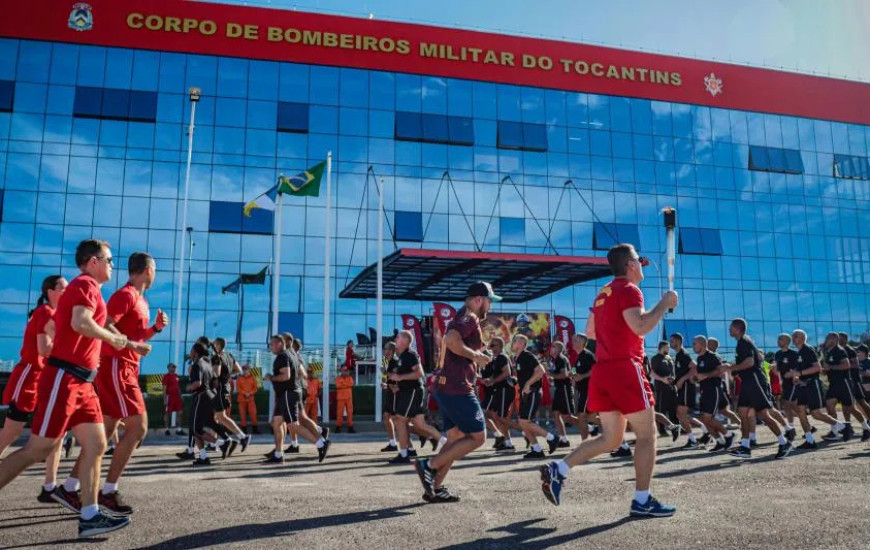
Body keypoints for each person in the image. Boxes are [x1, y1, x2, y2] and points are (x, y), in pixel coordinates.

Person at [0, 240, 130, 537]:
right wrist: (111, 339)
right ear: (93, 261)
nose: (112, 264)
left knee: (97, 444)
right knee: (38, 448)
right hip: (64, 377)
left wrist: (122, 340)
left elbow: (78, 327)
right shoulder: (85, 283)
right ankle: (88, 511)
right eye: (109, 260)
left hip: (83, 383)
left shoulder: (92, 290)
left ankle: (90, 515)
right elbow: (81, 322)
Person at [539, 243, 678, 517]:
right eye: (639, 260)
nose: (642, 264)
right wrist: (664, 303)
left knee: (611, 438)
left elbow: (590, 330)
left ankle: (559, 469)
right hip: (625, 367)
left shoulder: (604, 292)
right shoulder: (629, 289)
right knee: (647, 436)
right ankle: (642, 500)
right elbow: (640, 326)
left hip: (604, 370)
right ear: (630, 265)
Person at [91, 252, 167, 516]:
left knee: (103, 433)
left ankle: (71, 485)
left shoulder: (141, 301)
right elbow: (105, 323)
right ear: (148, 270)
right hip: (116, 366)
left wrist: (154, 329)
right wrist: (131, 344)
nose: (156, 274)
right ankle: (108, 491)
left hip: (126, 367)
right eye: (155, 269)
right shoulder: (126, 294)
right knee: (138, 428)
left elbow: (135, 334)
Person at [413, 281, 499, 503]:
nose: (490, 305)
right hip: (457, 387)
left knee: (455, 438)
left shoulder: (466, 317)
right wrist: (476, 356)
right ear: (479, 300)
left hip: (446, 386)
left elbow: (456, 345)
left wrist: (477, 355)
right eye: (489, 300)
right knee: (479, 437)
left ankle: (435, 487)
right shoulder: (468, 317)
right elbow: (451, 340)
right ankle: (428, 465)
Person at [0, 275, 67, 505]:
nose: (67, 291)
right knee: (11, 433)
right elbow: (43, 348)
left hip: (46, 380)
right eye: (63, 287)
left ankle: (49, 487)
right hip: (29, 377)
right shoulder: (44, 313)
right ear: (50, 290)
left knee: (57, 433)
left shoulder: (56, 315)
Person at [724, 319, 794, 459]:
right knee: (743, 412)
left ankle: (784, 442)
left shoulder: (744, 342)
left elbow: (749, 362)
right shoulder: (742, 343)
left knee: (763, 415)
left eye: (730, 327)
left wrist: (731, 368)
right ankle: (745, 447)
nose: (729, 330)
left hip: (755, 381)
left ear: (737, 329)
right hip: (748, 382)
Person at [388, 330, 443, 464]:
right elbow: (408, 377)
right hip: (410, 391)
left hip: (413, 392)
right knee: (420, 424)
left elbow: (419, 373)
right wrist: (398, 386)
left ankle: (404, 454)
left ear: (405, 341)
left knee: (400, 420)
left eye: (398, 336)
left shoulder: (410, 355)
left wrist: (400, 377)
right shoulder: (401, 356)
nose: (395, 338)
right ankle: (446, 443)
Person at [789, 330, 846, 449]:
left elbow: (816, 368)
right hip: (802, 386)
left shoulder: (808, 350)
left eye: (796, 336)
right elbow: (799, 371)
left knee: (815, 414)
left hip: (812, 385)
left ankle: (842, 426)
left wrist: (799, 373)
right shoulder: (798, 353)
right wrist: (796, 377)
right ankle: (810, 441)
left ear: (803, 338)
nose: (793, 338)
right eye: (793, 336)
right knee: (800, 411)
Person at [512, 334, 559, 460]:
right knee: (523, 423)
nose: (513, 342)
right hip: (525, 393)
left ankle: (552, 438)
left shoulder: (527, 356)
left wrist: (528, 384)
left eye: (515, 340)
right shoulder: (519, 358)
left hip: (532, 392)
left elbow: (541, 371)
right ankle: (537, 449)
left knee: (525, 421)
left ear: (522, 343)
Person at [821, 332, 869, 441]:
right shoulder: (829, 352)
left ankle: (866, 428)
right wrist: (825, 370)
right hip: (833, 384)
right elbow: (829, 367)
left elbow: (847, 365)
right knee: (829, 405)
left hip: (844, 383)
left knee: (850, 408)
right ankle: (835, 430)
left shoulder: (840, 350)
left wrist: (831, 367)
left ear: (834, 339)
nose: (826, 340)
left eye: (828, 338)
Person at [692, 336, 735, 452]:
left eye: (694, 344)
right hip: (704, 390)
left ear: (702, 344)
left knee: (707, 418)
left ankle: (729, 435)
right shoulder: (699, 358)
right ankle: (720, 442)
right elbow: (701, 376)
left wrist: (705, 375)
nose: (692, 346)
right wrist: (696, 378)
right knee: (703, 418)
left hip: (713, 390)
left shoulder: (712, 356)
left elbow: (720, 370)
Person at [210, 338, 250, 453]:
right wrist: (227, 375)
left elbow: (216, 374)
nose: (212, 346)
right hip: (226, 387)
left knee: (221, 417)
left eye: (213, 344)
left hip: (220, 389)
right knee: (216, 417)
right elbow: (238, 369)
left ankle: (242, 437)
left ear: (218, 345)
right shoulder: (229, 355)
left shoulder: (216, 357)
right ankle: (214, 443)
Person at [671, 333, 708, 449]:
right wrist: (675, 380)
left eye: (672, 341)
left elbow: (695, 367)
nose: (670, 343)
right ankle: (704, 431)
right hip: (683, 388)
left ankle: (693, 440)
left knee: (680, 413)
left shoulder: (684, 354)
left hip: (687, 388)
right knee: (681, 414)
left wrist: (682, 379)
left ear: (678, 341)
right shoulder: (678, 355)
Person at [481, 337, 517, 452]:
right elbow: (494, 375)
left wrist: (492, 381)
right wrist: (489, 380)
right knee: (498, 417)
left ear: (501, 346)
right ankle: (507, 441)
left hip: (504, 389)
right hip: (499, 390)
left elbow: (507, 373)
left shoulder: (501, 357)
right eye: (490, 346)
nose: (491, 348)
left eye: (494, 346)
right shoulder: (496, 359)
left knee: (499, 417)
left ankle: (526, 431)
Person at [549, 341, 582, 448]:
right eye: (552, 346)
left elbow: (564, 375)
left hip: (564, 389)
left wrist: (551, 374)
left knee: (567, 416)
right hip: (559, 389)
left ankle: (590, 428)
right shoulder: (556, 360)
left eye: (554, 347)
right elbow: (569, 372)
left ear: (559, 349)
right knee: (555, 414)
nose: (552, 348)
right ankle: (563, 439)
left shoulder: (561, 359)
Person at [839, 332, 870, 430]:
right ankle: (849, 426)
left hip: (862, 384)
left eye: (859, 351)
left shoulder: (867, 361)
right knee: (853, 404)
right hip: (855, 383)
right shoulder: (842, 351)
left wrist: (843, 367)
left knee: (861, 403)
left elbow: (867, 373)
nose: (857, 353)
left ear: (865, 352)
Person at [571, 333, 599, 440]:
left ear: (583, 342)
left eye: (577, 341)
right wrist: (572, 374)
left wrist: (582, 376)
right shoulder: (579, 356)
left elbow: (595, 370)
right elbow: (575, 369)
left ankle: (584, 443)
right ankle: (615, 429)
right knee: (591, 417)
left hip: (589, 390)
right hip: (582, 390)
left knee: (581, 417)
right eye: (574, 340)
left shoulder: (587, 355)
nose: (574, 343)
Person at [772, 334, 800, 434]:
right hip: (784, 383)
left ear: (787, 342)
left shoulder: (794, 354)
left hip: (793, 382)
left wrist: (795, 376)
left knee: (788, 403)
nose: (778, 341)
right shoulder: (778, 354)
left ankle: (791, 428)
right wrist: (774, 369)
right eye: (778, 339)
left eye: (781, 339)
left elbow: (798, 368)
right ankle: (807, 426)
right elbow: (777, 371)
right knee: (789, 405)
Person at [381, 341, 400, 452]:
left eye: (388, 349)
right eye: (385, 349)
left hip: (395, 395)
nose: (385, 351)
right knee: (387, 417)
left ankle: (430, 436)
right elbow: (392, 380)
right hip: (390, 392)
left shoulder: (395, 362)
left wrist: (385, 372)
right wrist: (386, 385)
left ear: (393, 351)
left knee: (397, 420)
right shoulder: (389, 362)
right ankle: (393, 443)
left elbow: (397, 378)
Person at [162, 363, 185, 437]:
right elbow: (164, 388)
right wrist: (165, 399)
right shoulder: (166, 376)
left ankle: (179, 429)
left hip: (177, 397)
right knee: (167, 413)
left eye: (175, 367)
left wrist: (180, 396)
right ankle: (166, 430)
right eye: (172, 367)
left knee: (180, 413)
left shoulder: (176, 376)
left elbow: (178, 387)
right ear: (168, 368)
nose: (174, 368)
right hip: (170, 397)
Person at [237, 364, 259, 434]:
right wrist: (244, 393)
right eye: (244, 370)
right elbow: (238, 388)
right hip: (241, 399)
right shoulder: (239, 378)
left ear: (249, 370)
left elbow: (255, 388)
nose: (245, 371)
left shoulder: (253, 378)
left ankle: (255, 430)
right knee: (242, 415)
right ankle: (244, 431)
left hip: (251, 399)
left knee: (253, 414)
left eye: (247, 370)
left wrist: (250, 393)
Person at [335, 366, 355, 433]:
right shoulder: (338, 378)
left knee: (350, 412)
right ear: (341, 371)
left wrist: (343, 384)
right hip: (340, 397)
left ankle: (350, 426)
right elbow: (338, 385)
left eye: (346, 371)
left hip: (349, 397)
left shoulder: (350, 378)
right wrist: (346, 385)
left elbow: (351, 384)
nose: (345, 372)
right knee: (339, 413)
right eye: (344, 371)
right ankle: (338, 426)